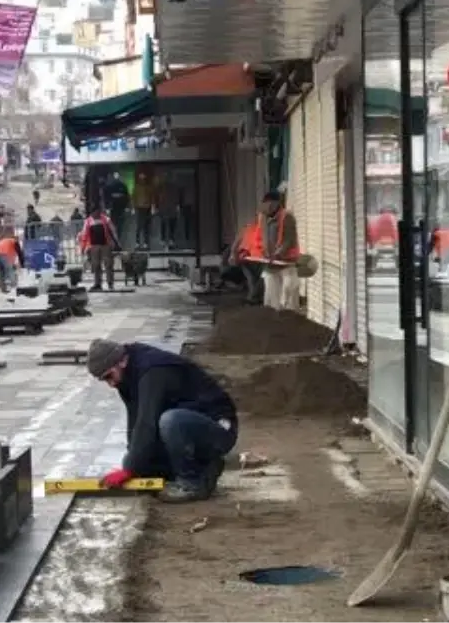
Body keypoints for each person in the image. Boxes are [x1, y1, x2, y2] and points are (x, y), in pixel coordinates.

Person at [87, 338, 238, 503]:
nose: (110, 383)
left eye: (109, 376)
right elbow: (136, 418)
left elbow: (146, 422)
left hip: (219, 428)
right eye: (104, 380)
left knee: (171, 420)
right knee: (143, 463)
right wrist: (133, 465)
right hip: (189, 426)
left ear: (122, 361)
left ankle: (193, 484)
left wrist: (130, 469)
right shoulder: (126, 375)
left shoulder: (153, 371)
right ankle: (207, 467)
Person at [228, 193, 278, 305]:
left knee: (255, 280)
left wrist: (233, 254)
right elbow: (237, 243)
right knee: (256, 279)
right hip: (251, 258)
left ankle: (253, 298)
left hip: (252, 258)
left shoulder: (251, 227)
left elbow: (237, 242)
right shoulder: (253, 226)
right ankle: (254, 299)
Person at [261, 183, 301, 310]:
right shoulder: (265, 219)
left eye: (269, 204)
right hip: (271, 265)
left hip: (287, 265)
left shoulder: (287, 217)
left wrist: (278, 253)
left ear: (276, 203)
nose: (267, 207)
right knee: (272, 301)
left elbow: (289, 240)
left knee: (289, 301)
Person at [78, 206, 120, 291]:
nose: (95, 214)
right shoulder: (88, 221)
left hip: (106, 245)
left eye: (97, 212)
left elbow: (113, 231)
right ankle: (97, 284)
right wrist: (83, 248)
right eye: (94, 213)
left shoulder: (106, 220)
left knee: (108, 265)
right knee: (96, 266)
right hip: (94, 246)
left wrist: (116, 243)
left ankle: (110, 283)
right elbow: (84, 235)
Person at [103, 172, 130, 242]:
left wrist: (127, 206)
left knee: (120, 224)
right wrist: (107, 207)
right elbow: (106, 197)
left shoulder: (122, 186)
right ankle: (115, 240)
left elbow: (126, 197)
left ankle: (117, 239)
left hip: (120, 208)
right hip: (113, 208)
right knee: (113, 224)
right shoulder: (110, 187)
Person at [132, 169, 155, 248]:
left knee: (144, 225)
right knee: (141, 225)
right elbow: (134, 197)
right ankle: (139, 242)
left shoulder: (146, 187)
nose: (142, 178)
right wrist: (133, 207)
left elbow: (152, 197)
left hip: (145, 207)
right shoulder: (138, 187)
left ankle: (142, 242)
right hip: (141, 207)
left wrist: (152, 206)